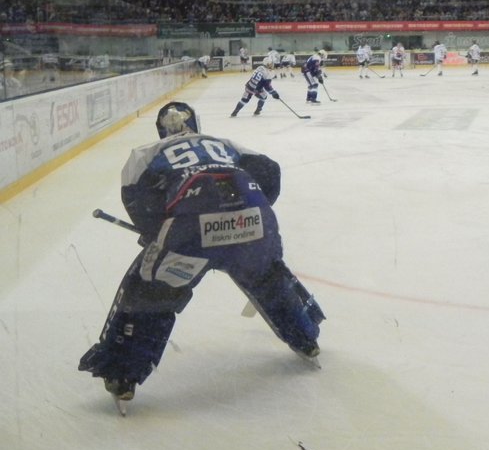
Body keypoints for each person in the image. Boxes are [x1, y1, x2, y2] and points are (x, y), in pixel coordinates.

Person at [78, 102, 325, 411]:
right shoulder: (223, 144)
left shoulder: (144, 153)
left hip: (192, 233)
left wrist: (157, 229)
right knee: (269, 278)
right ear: (196, 122)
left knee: (149, 289)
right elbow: (269, 171)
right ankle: (306, 337)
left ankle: (123, 374)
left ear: (159, 128)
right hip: (255, 223)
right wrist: (251, 212)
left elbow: (136, 201)